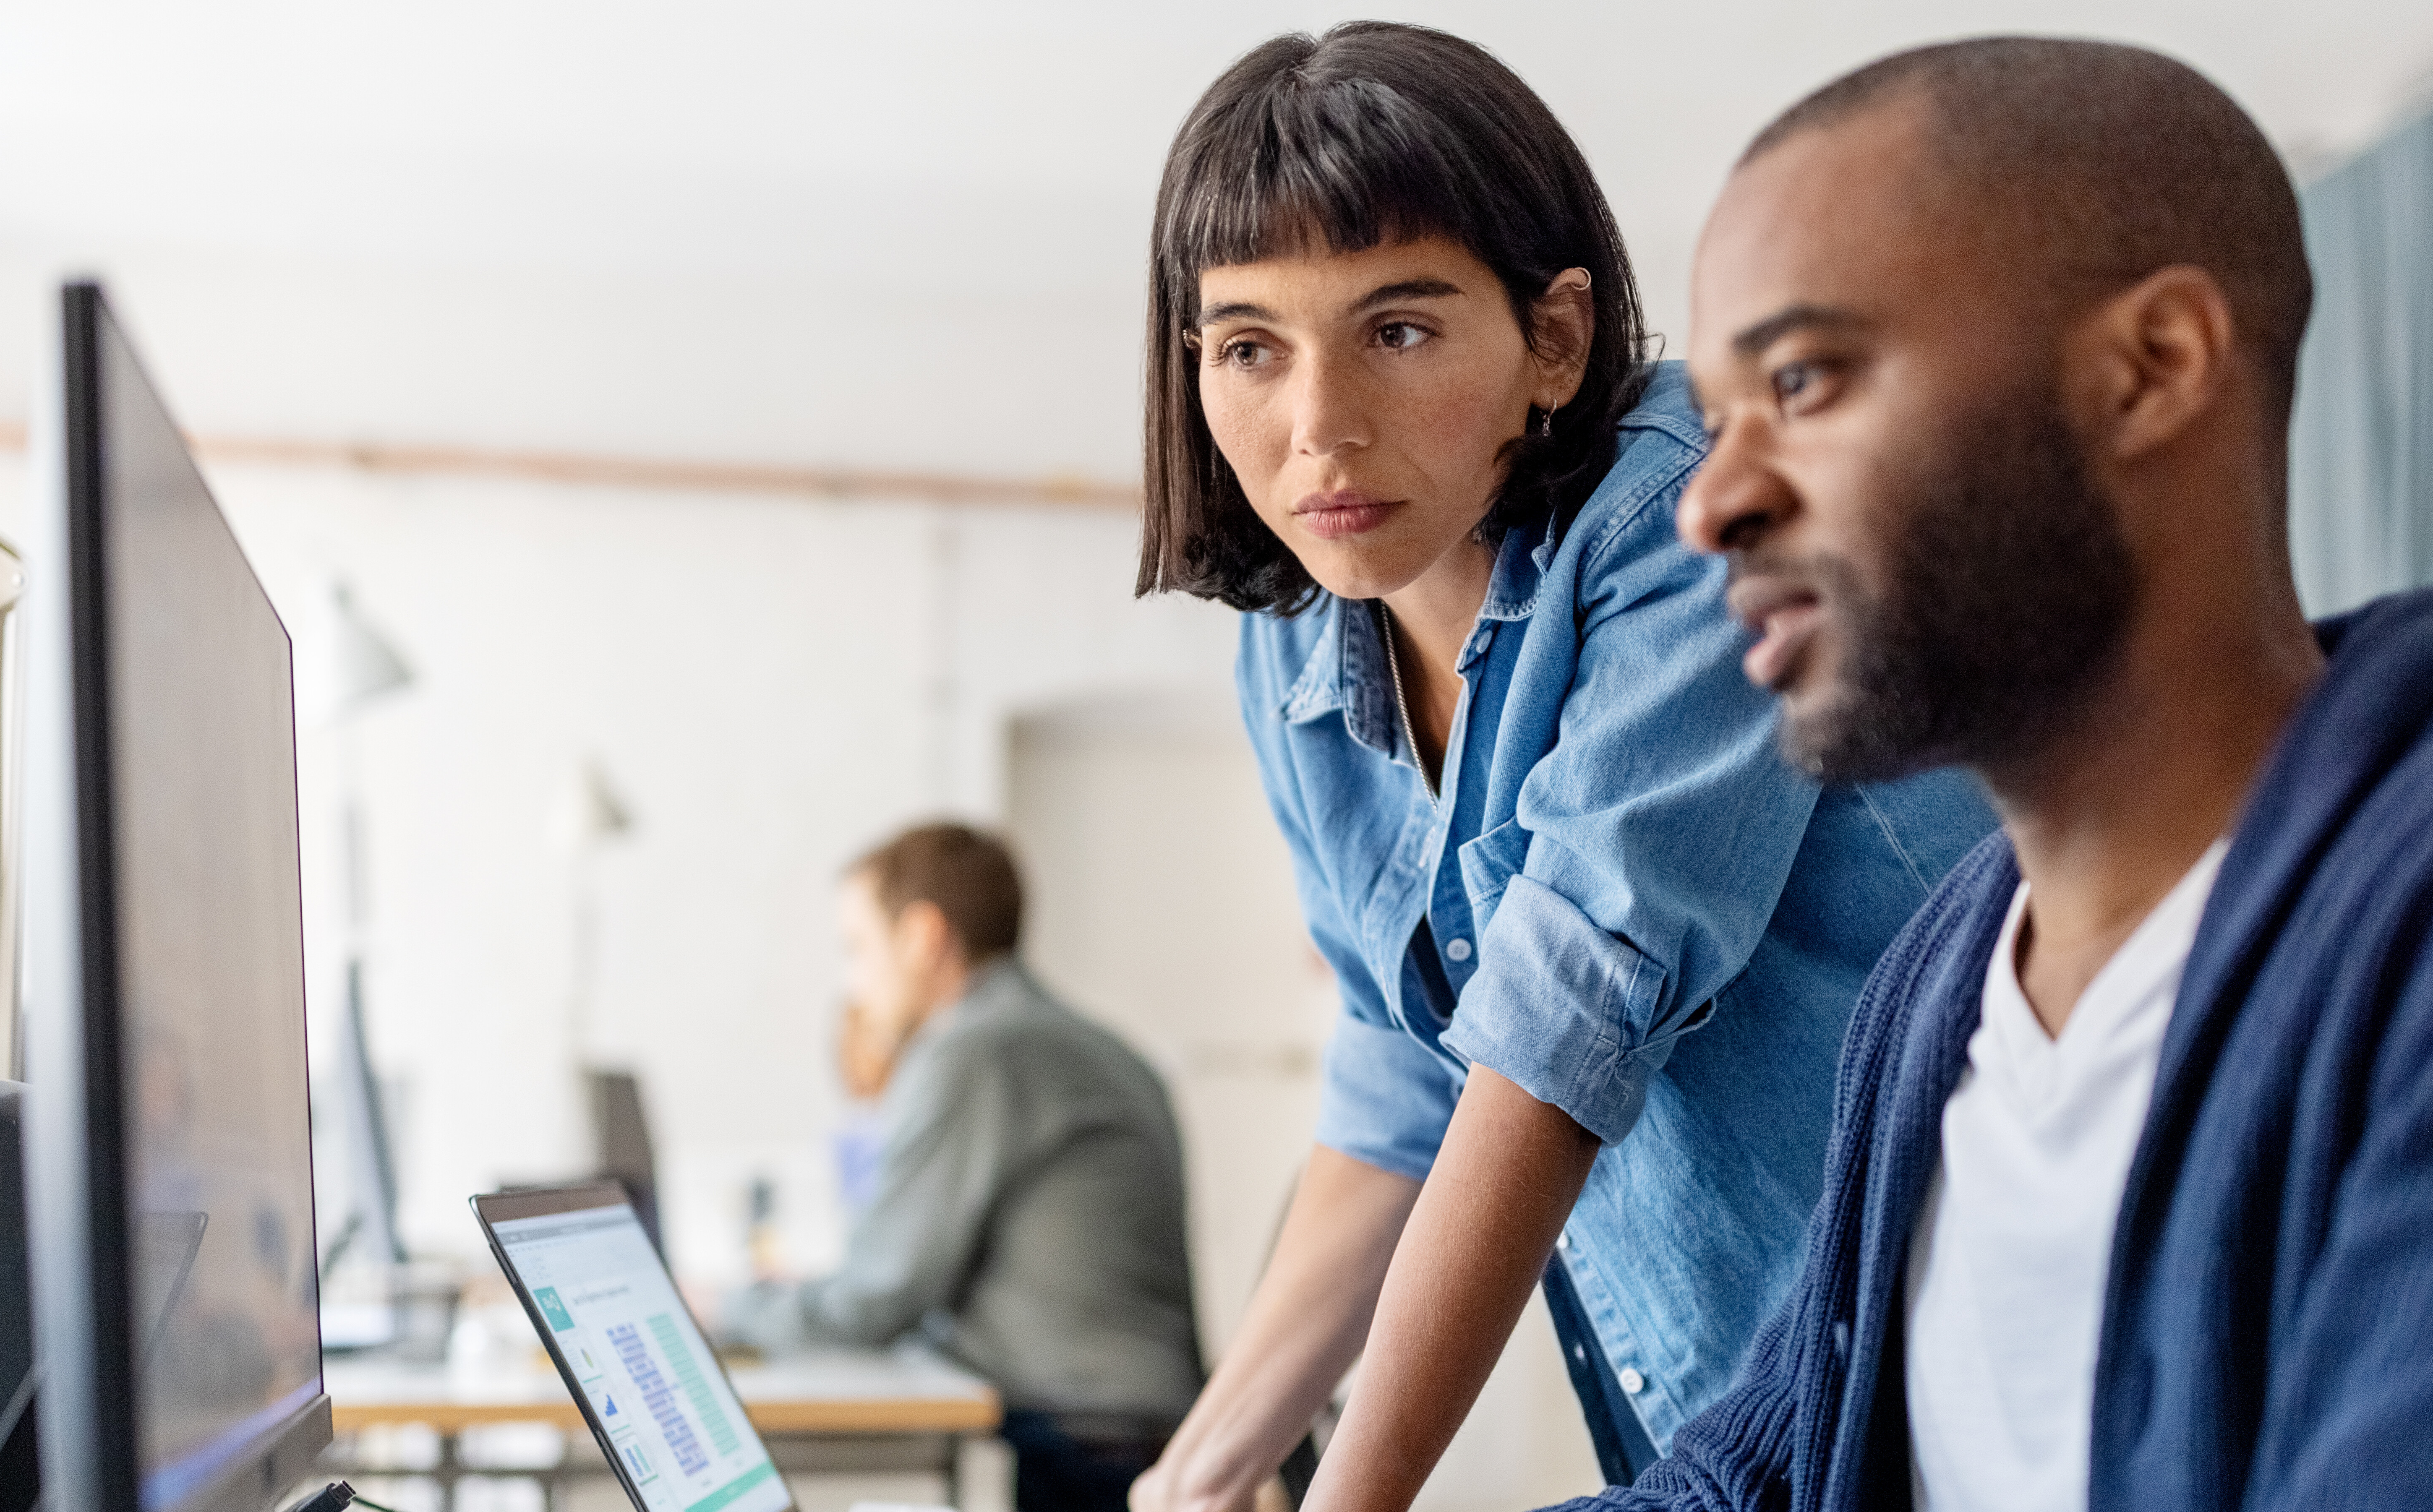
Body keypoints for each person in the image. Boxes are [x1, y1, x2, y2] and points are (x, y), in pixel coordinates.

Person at [1582, 36, 2433, 1511]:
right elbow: (1737, 1486)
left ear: (2152, 368)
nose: (1712, 503)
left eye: (1806, 379)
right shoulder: (1944, 978)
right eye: (1713, 422)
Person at [1129, 24, 1997, 1512]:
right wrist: (1199, 1474)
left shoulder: (1704, 522)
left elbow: (1562, 1020)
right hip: (1737, 1426)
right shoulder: (1295, 643)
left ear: (1555, 339)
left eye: (1396, 330)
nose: (1317, 426)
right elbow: (1405, 1081)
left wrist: (1351, 1496)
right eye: (1249, 347)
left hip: (1981, 1370)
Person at [723, 823, 1202, 1512]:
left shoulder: (976, 1052)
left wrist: (730, 1305)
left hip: (1079, 1451)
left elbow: (874, 1300)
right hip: (1143, 1435)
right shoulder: (1087, 1042)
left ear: (922, 937)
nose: (852, 982)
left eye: (856, 948)